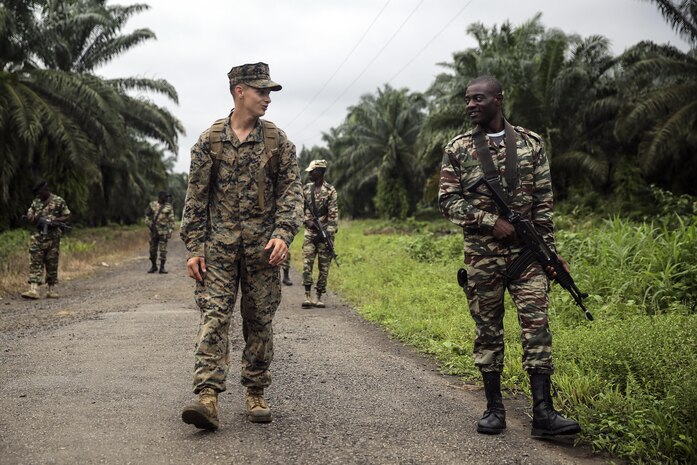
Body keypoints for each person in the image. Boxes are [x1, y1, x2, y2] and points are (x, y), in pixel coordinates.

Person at [438, 75, 581, 437]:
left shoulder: (532, 144)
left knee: (537, 329)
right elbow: (447, 201)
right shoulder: (458, 148)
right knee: (488, 331)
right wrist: (489, 222)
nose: (470, 105)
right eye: (467, 100)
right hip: (482, 257)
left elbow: (544, 204)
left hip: (527, 258)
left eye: (478, 99)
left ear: (498, 100)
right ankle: (494, 409)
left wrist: (550, 252)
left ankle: (543, 413)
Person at [180, 62, 302, 430]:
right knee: (214, 318)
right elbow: (195, 200)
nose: (267, 98)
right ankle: (207, 398)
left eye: (269, 92)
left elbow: (290, 194)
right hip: (217, 252)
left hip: (262, 252)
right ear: (239, 91)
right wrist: (194, 247)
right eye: (261, 91)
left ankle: (255, 391)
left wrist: (283, 234)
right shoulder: (209, 141)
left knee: (258, 321)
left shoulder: (277, 141)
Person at [21, 181, 71, 300]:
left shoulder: (58, 201)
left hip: (53, 237)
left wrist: (54, 220)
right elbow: (30, 213)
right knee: (35, 261)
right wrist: (31, 217)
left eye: (39, 192)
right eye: (37, 193)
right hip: (38, 237)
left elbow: (67, 215)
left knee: (51, 262)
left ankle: (51, 289)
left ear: (45, 190)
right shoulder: (36, 202)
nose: (38, 195)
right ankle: (33, 289)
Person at [301, 160, 338, 308]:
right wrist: (307, 221)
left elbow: (333, 214)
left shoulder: (330, 191)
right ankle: (307, 295)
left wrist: (327, 233)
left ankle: (318, 295)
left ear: (320, 172)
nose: (309, 174)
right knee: (306, 264)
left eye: (312, 172)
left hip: (325, 234)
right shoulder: (305, 189)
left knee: (324, 267)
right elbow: (298, 209)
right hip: (310, 233)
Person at [144, 190, 175, 274]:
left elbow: (171, 220)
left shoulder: (169, 207)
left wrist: (170, 230)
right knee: (152, 250)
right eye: (165, 197)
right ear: (160, 197)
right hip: (154, 232)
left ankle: (162, 267)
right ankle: (154, 266)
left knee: (163, 250)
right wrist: (150, 225)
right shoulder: (152, 205)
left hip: (164, 232)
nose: (167, 198)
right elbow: (147, 217)